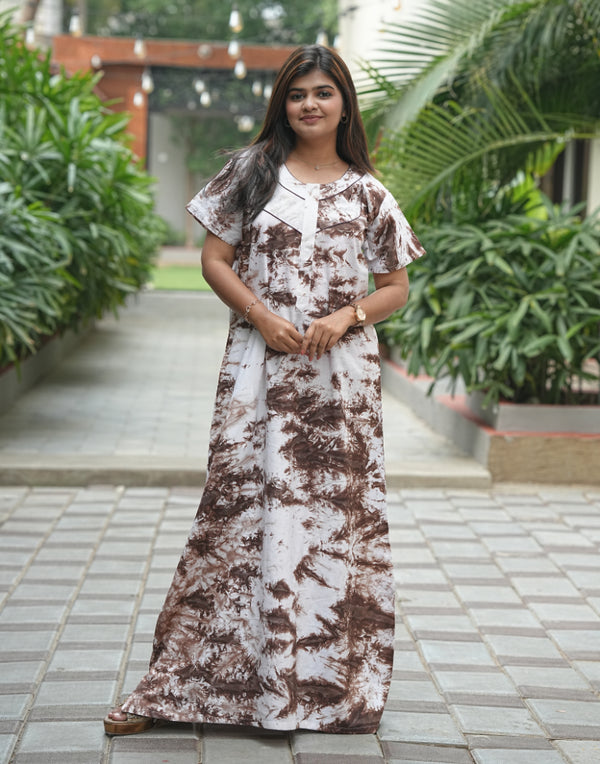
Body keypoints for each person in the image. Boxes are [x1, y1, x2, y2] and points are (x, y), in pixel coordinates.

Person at [104, 44, 425, 737]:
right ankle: (182, 687)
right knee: (237, 513)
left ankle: (321, 694)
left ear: (344, 105)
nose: (310, 104)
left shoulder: (369, 193)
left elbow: (396, 286)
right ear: (283, 103)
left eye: (323, 92)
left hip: (340, 385)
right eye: (297, 93)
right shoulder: (251, 173)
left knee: (331, 524)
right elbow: (214, 259)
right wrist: (261, 316)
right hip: (259, 369)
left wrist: (347, 316)